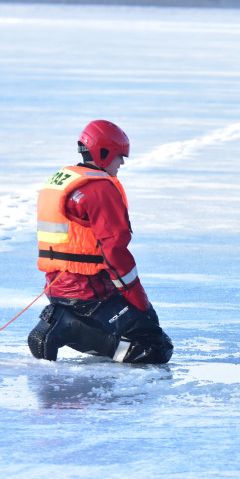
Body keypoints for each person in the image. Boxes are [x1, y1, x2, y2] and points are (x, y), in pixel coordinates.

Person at [27, 120, 173, 364]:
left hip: (58, 288)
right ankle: (68, 326)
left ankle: (66, 322)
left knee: (132, 333)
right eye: (120, 156)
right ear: (103, 154)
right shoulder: (100, 189)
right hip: (90, 293)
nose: (122, 163)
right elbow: (115, 252)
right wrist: (141, 303)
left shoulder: (62, 180)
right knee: (155, 348)